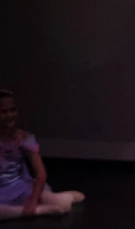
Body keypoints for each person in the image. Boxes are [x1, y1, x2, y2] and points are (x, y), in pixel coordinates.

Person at [0, 90, 85, 219]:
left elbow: (40, 173)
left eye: (12, 110)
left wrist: (33, 199)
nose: (10, 115)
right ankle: (36, 211)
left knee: (63, 205)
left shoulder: (25, 138)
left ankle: (66, 196)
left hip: (20, 186)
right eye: (3, 112)